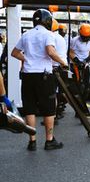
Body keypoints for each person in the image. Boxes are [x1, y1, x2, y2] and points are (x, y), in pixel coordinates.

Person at [11, 9, 67, 151]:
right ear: (48, 21)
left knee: (29, 108)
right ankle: (49, 141)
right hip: (44, 76)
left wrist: (27, 59)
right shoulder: (48, 34)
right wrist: (63, 63)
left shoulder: (26, 34)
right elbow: (50, 51)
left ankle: (32, 141)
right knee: (49, 109)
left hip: (27, 75)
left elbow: (14, 53)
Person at [69, 23, 90, 100]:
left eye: (87, 37)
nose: (85, 38)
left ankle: (83, 100)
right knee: (78, 85)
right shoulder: (74, 41)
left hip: (85, 65)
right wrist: (77, 61)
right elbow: (70, 52)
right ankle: (77, 102)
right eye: (83, 37)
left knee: (87, 85)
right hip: (76, 65)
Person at [52, 19, 68, 120]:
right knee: (59, 91)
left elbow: (50, 53)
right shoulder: (61, 38)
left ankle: (53, 115)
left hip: (55, 68)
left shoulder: (51, 37)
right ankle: (58, 111)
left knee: (52, 93)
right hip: (62, 67)